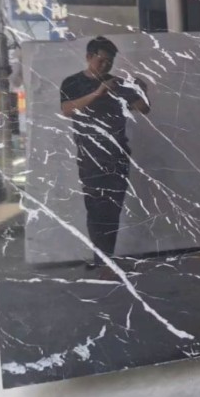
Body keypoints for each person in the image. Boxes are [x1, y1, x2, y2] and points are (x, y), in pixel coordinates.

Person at [60, 37, 150, 267]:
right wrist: (98, 93)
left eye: (110, 62)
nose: (105, 65)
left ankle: (105, 259)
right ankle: (102, 259)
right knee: (95, 209)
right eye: (101, 60)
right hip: (90, 156)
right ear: (89, 57)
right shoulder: (73, 82)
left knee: (113, 209)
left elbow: (143, 108)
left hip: (117, 155)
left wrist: (142, 90)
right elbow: (67, 110)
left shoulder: (117, 84)